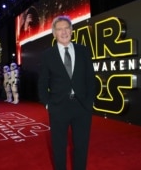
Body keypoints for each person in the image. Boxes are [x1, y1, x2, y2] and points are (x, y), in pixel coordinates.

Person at [38, 15, 96, 170]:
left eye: (66, 28)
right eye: (59, 29)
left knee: (81, 147)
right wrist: (48, 104)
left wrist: (90, 101)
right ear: (54, 33)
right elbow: (42, 82)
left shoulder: (83, 51)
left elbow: (91, 78)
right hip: (58, 107)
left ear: (72, 30)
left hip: (82, 107)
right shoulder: (47, 55)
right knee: (59, 148)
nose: (64, 32)